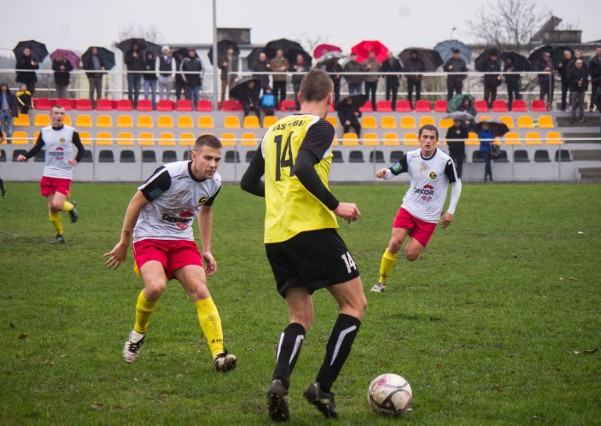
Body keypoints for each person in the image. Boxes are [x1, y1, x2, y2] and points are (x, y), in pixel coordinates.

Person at [240, 68, 366, 422]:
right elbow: (303, 167)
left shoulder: (273, 129)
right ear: (330, 99)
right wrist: (336, 205)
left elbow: (249, 182)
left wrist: (278, 195)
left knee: (300, 317)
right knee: (355, 305)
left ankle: (279, 382)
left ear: (297, 97)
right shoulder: (322, 126)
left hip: (275, 237)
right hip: (311, 230)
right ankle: (322, 388)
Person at [104, 134, 238, 371]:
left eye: (218, 159)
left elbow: (206, 211)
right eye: (208, 158)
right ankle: (137, 335)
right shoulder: (168, 175)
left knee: (200, 288)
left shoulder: (215, 182)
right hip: (149, 237)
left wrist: (206, 250)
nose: (213, 164)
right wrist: (124, 241)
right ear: (194, 156)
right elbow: (136, 203)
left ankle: (219, 354)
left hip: (181, 240)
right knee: (156, 287)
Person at [371, 124, 462, 293]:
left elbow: (456, 184)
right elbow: (392, 173)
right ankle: (381, 282)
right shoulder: (410, 157)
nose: (428, 141)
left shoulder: (445, 161)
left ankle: (414, 237)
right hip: (409, 208)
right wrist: (384, 173)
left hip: (429, 216)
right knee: (394, 243)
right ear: (419, 139)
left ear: (437, 140)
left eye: (432, 138)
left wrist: (451, 211)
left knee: (411, 255)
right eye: (425, 137)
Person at [16, 106, 83, 244]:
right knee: (52, 207)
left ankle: (71, 207)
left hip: (64, 174)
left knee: (58, 204)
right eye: (56, 113)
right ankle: (60, 236)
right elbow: (37, 148)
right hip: (48, 174)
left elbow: (81, 148)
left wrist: (76, 160)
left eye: (62, 113)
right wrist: (25, 156)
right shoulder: (45, 132)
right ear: (51, 115)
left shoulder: (71, 132)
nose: (59, 116)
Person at [124, 42, 145, 109]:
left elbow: (142, 63)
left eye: (136, 45)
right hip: (131, 73)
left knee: (137, 89)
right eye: (134, 45)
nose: (135, 46)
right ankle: (130, 104)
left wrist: (141, 71)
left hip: (138, 74)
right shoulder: (128, 53)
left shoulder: (140, 53)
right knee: (130, 89)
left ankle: (136, 104)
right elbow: (126, 61)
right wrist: (132, 56)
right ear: (132, 46)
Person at [568, 58, 589, 123]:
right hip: (574, 89)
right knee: (573, 104)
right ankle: (573, 117)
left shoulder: (584, 71)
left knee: (581, 104)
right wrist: (577, 82)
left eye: (580, 63)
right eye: (578, 63)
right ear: (575, 64)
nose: (579, 64)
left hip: (582, 90)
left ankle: (581, 117)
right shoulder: (571, 71)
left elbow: (586, 80)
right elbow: (569, 80)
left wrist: (584, 86)